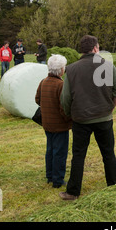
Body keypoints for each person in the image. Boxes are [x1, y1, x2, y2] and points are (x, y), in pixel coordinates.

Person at [59, 35, 116, 201]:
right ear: (96, 48)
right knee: (108, 153)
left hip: (81, 119)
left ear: (82, 49)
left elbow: (65, 98)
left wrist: (69, 114)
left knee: (79, 156)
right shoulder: (108, 65)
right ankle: (114, 185)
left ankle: (73, 192)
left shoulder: (72, 69)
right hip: (104, 118)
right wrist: (110, 107)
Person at [35, 54, 72, 188]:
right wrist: (69, 119)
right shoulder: (61, 85)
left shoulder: (43, 82)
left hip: (47, 123)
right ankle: (58, 180)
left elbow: (37, 99)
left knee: (50, 150)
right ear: (61, 69)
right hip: (60, 125)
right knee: (60, 152)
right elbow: (64, 107)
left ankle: (50, 175)